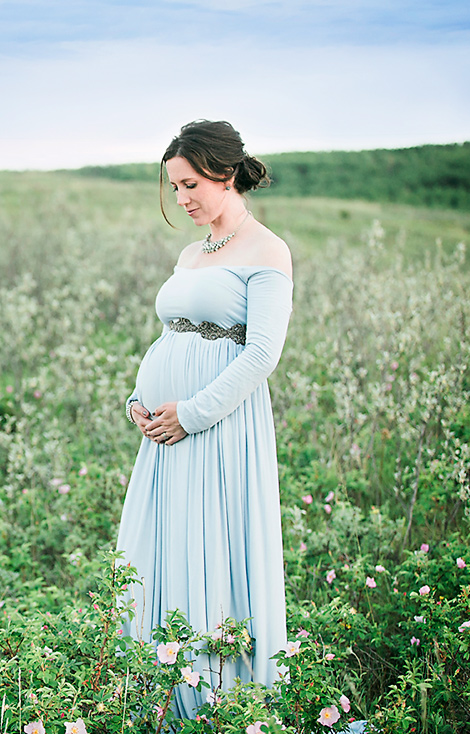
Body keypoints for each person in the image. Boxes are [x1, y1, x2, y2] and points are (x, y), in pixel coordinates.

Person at [116, 119, 292, 718]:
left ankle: (218, 699)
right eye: (174, 186)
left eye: (190, 184)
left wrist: (191, 414)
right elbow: (173, 335)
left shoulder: (267, 250)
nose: (182, 198)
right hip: (164, 437)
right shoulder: (193, 252)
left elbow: (262, 354)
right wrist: (140, 400)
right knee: (160, 549)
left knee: (211, 548)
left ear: (224, 171)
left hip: (216, 431)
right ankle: (160, 694)